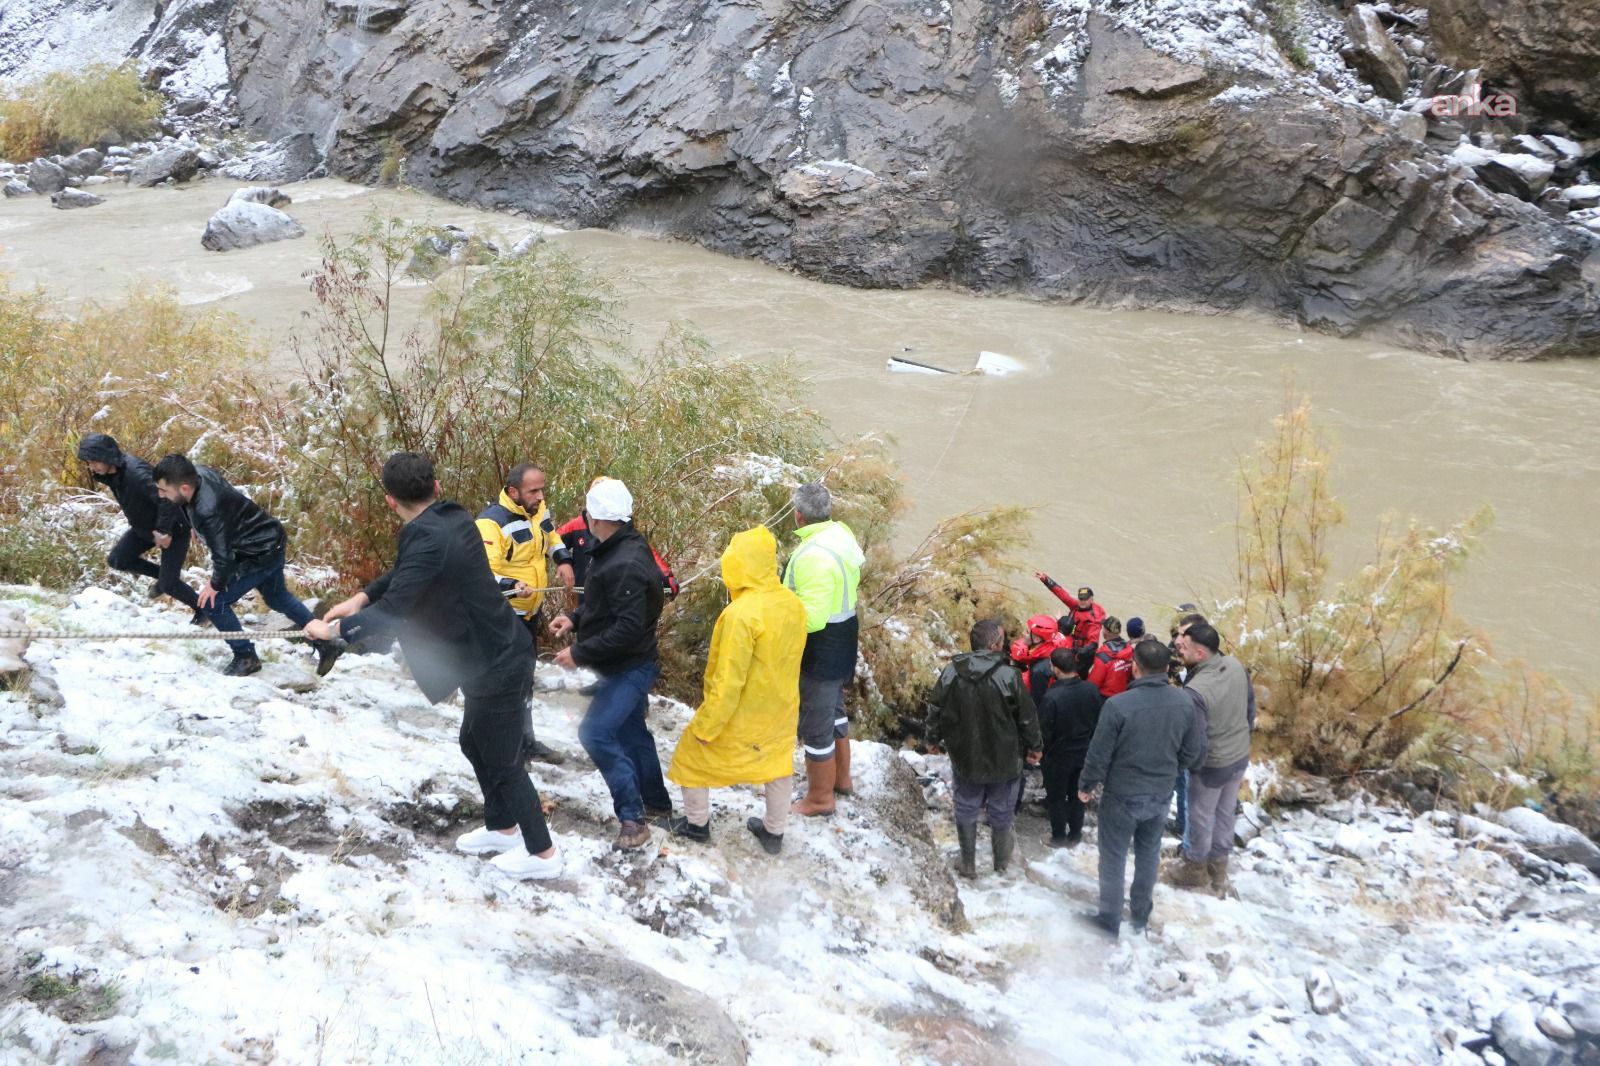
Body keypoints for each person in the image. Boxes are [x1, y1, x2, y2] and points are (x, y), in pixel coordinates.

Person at [306, 453, 561, 880]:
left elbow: (396, 607)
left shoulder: (429, 533)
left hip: (498, 658)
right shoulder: (451, 517)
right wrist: (360, 598)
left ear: (390, 501)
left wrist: (335, 633)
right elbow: (406, 575)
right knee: (474, 743)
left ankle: (543, 854)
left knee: (502, 758)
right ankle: (502, 828)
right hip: (486, 653)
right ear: (436, 488)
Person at [550, 477, 676, 849]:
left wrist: (578, 653)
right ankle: (656, 803)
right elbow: (605, 603)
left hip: (629, 667)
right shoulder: (621, 548)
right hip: (626, 662)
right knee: (632, 732)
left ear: (595, 518)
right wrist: (575, 618)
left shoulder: (623, 562)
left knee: (596, 733)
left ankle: (633, 821)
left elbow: (627, 627)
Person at [665, 526, 806, 855]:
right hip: (782, 706)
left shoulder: (741, 614)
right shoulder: (792, 603)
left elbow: (729, 679)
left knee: (689, 757)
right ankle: (774, 833)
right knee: (777, 764)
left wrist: (709, 725)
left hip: (743, 710)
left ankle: (697, 825)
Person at [151, 453, 343, 678]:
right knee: (276, 597)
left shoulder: (207, 511)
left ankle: (246, 657)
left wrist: (214, 586)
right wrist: (194, 525)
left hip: (258, 553)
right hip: (270, 538)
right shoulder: (198, 474)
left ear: (184, 488)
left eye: (164, 491)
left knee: (213, 603)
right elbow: (205, 505)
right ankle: (327, 643)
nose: (160, 495)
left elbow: (223, 558)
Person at [1076, 639, 1207, 937]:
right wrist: (1172, 771)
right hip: (1160, 794)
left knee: (1113, 856)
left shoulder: (1117, 705)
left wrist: (1087, 784)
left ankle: (1109, 919)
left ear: (1135, 667)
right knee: (1148, 855)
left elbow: (1099, 753)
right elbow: (1195, 750)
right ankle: (1139, 915)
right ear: (1166, 668)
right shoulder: (1186, 702)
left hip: (1121, 794)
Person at [925, 618, 1043, 878]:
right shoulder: (1009, 675)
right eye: (1002, 641)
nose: (1005, 645)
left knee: (966, 804)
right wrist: (1035, 746)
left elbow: (936, 708)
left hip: (965, 754)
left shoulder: (951, 672)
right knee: (1002, 809)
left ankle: (968, 863)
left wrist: (932, 739)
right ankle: (1001, 864)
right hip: (1005, 757)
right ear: (993, 645)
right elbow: (1027, 717)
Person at [476, 462, 573, 765]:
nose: (540, 495)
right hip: (502, 619)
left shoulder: (538, 510)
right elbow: (480, 572)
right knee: (507, 684)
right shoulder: (491, 523)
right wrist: (511, 585)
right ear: (513, 491)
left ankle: (525, 742)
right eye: (534, 490)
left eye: (542, 488)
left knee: (524, 682)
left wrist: (563, 559)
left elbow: (551, 536)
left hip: (530, 615)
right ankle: (507, 750)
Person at [783, 482, 865, 816]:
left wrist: (779, 629)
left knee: (816, 726)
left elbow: (812, 619)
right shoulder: (840, 536)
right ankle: (841, 780)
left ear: (798, 515)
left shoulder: (813, 555)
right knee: (834, 710)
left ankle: (819, 799)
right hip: (845, 634)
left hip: (822, 645)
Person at [76, 433, 203, 624]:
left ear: (107, 456)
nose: (91, 466)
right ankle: (164, 575)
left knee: (169, 584)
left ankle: (204, 610)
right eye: (89, 462)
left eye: (94, 461)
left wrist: (164, 531)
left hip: (174, 527)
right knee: (118, 560)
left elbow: (166, 499)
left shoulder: (136, 473)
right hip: (144, 528)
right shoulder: (113, 473)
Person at [1166, 621, 1254, 897]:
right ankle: (1219, 868)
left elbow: (1195, 739)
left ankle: (1194, 868)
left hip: (1212, 764)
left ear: (1200, 654)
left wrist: (1189, 765)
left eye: (1185, 645)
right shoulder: (1236, 665)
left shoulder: (1196, 691)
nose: (1180, 647)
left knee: (1201, 816)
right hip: (1238, 755)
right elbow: (1250, 709)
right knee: (1226, 812)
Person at [555, 477, 680, 604]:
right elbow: (552, 540)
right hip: (585, 595)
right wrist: (563, 560)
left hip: (613, 595)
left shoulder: (620, 528)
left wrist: (666, 577)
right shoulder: (577, 524)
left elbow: (645, 552)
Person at [1036, 646, 1104, 848]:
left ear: (1055, 669)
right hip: (1084, 752)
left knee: (1056, 797)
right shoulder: (1091, 690)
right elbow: (1097, 721)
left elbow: (1044, 731)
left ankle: (1058, 837)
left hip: (1058, 755)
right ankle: (1075, 834)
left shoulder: (1051, 697)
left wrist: (1041, 752)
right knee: (1078, 795)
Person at [1034, 572, 1107, 649]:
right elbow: (1062, 594)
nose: (1082, 601)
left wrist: (1080, 655)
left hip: (1080, 649)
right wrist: (1046, 579)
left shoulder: (1094, 619)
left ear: (1091, 600)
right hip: (1068, 639)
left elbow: (1092, 643)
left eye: (1085, 599)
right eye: (1080, 599)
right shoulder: (1076, 605)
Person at [1009, 614, 1070, 703]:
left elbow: (1037, 700)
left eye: (1027, 632)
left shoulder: (1039, 670)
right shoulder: (1053, 643)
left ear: (1037, 639)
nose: (1023, 633)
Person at [1087, 616, 1133, 699]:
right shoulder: (1130, 650)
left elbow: (1093, 684)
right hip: (1124, 696)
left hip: (1106, 698)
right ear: (1119, 631)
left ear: (1105, 632)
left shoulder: (1103, 656)